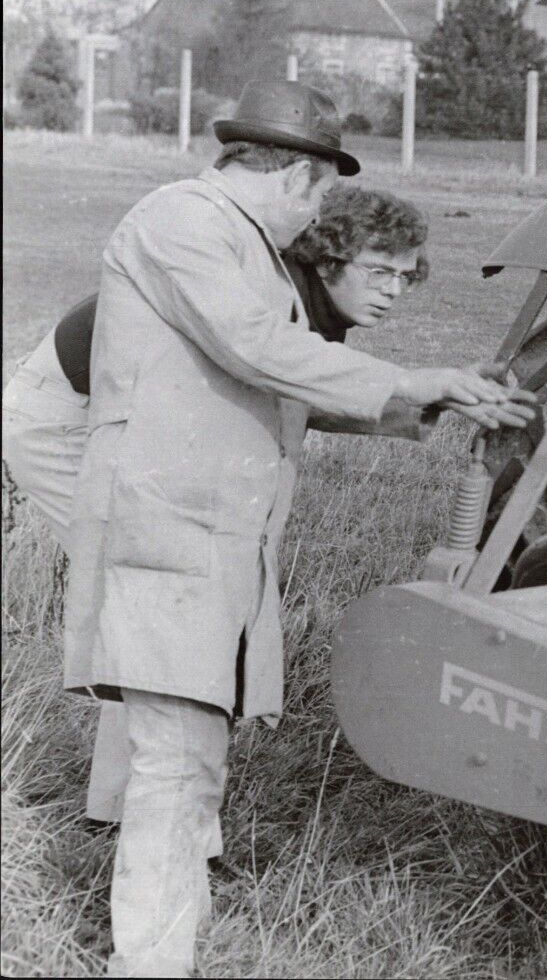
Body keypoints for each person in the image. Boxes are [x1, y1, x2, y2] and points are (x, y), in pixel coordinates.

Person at [51, 80, 527, 978]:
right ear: (300, 179)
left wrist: (429, 402)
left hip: (207, 545)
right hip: (169, 534)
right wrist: (412, 379)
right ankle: (148, 963)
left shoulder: (239, 245)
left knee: (191, 765)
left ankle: (160, 952)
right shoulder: (182, 221)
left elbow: (274, 387)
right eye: (318, 195)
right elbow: (255, 349)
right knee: (172, 768)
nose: (315, 218)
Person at [3, 181, 448, 832]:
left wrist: (411, 417)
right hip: (65, 419)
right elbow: (263, 377)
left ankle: (125, 811)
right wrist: (404, 402)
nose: (392, 291)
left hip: (110, 410)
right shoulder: (260, 290)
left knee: (165, 614)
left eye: (406, 278)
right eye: (379, 271)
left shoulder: (309, 300)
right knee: (165, 603)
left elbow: (289, 398)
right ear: (327, 258)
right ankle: (153, 821)